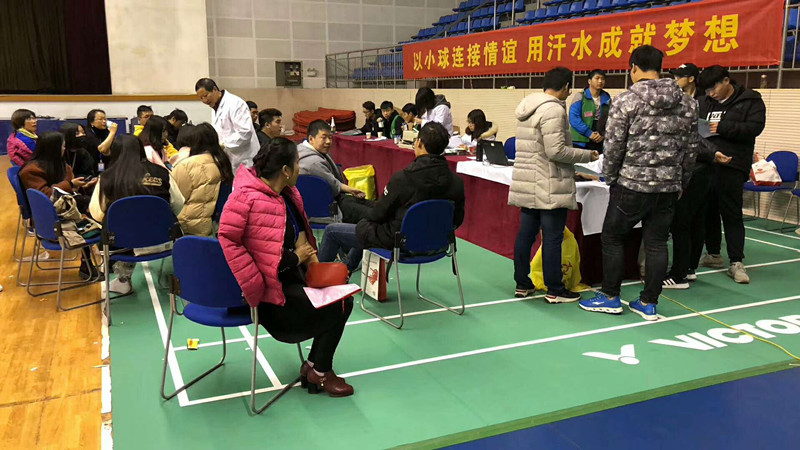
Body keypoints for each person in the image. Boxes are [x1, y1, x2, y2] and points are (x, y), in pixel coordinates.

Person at [218, 138, 354, 397]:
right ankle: (319, 371)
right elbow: (229, 241)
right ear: (285, 170)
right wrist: (284, 265)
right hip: (270, 294)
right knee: (339, 305)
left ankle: (315, 367)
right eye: (297, 163)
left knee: (342, 298)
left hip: (294, 279)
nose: (300, 169)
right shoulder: (244, 198)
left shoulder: (288, 195)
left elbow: (303, 240)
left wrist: (319, 272)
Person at [578, 45, 698, 321]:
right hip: (668, 186)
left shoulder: (625, 101)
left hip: (631, 184)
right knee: (657, 243)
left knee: (612, 238)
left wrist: (609, 177)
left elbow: (613, 146)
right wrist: (681, 182)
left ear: (633, 68)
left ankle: (610, 296)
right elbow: (691, 149)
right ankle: (648, 302)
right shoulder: (688, 103)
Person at [317, 122, 465, 273]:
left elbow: (378, 215)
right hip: (437, 244)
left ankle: (317, 278)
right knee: (366, 220)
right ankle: (348, 267)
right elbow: (457, 220)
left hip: (400, 242)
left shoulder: (403, 179)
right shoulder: (457, 182)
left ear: (419, 142)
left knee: (333, 230)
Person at [510, 67, 599, 301]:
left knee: (526, 235)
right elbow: (556, 151)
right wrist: (587, 156)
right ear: (566, 87)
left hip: (529, 180)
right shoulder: (554, 110)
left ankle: (522, 283)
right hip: (549, 183)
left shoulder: (527, 106)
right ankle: (555, 290)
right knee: (551, 238)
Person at [663, 63, 733, 289]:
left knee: (683, 223)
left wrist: (712, 152)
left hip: (698, 169)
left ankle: (679, 274)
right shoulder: (695, 102)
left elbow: (692, 138)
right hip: (703, 164)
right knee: (694, 222)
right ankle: (689, 268)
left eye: (679, 77)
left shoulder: (692, 104)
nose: (676, 81)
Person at [696, 65, 766, 284]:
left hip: (733, 165)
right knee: (707, 210)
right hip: (707, 162)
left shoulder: (750, 100)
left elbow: (754, 128)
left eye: (714, 88)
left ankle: (736, 261)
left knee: (731, 213)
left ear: (726, 81)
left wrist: (722, 127)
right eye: (707, 90)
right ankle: (713, 253)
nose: (711, 93)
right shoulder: (704, 102)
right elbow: (695, 129)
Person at [89, 135, 184, 294]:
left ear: (114, 152)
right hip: (163, 239)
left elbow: (97, 213)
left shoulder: (106, 178)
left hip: (122, 245)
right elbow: (178, 204)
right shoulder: (162, 173)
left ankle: (123, 280)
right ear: (141, 149)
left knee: (112, 229)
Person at [20, 132, 99, 280]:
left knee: (95, 205)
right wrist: (70, 184)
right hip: (50, 221)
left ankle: (92, 261)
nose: (64, 149)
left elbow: (66, 191)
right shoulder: (30, 171)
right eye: (62, 146)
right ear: (52, 149)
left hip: (65, 210)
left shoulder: (60, 165)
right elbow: (45, 196)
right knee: (94, 211)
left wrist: (81, 186)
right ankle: (89, 263)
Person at [298, 120, 373, 224]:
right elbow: (333, 186)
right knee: (375, 214)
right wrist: (350, 189)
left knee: (374, 206)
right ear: (311, 139)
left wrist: (350, 190)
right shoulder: (314, 163)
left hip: (334, 200)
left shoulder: (300, 150)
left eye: (330, 137)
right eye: (324, 137)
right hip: (330, 208)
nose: (328, 141)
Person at [172, 123, 234, 236]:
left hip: (188, 226)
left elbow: (177, 198)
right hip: (216, 223)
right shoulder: (223, 162)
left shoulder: (187, 165)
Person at [195, 78, 260, 172]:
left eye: (205, 96)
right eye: (201, 98)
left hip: (245, 159)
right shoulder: (215, 107)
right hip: (229, 160)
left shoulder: (235, 103)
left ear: (214, 89)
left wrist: (223, 144)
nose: (205, 100)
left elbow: (245, 132)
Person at [568, 69, 611, 152]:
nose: (600, 81)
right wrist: (589, 133)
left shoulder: (607, 97)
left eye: (602, 79)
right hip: (580, 140)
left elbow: (610, 118)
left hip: (600, 140)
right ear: (589, 81)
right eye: (597, 78)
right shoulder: (580, 96)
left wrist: (603, 134)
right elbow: (574, 118)